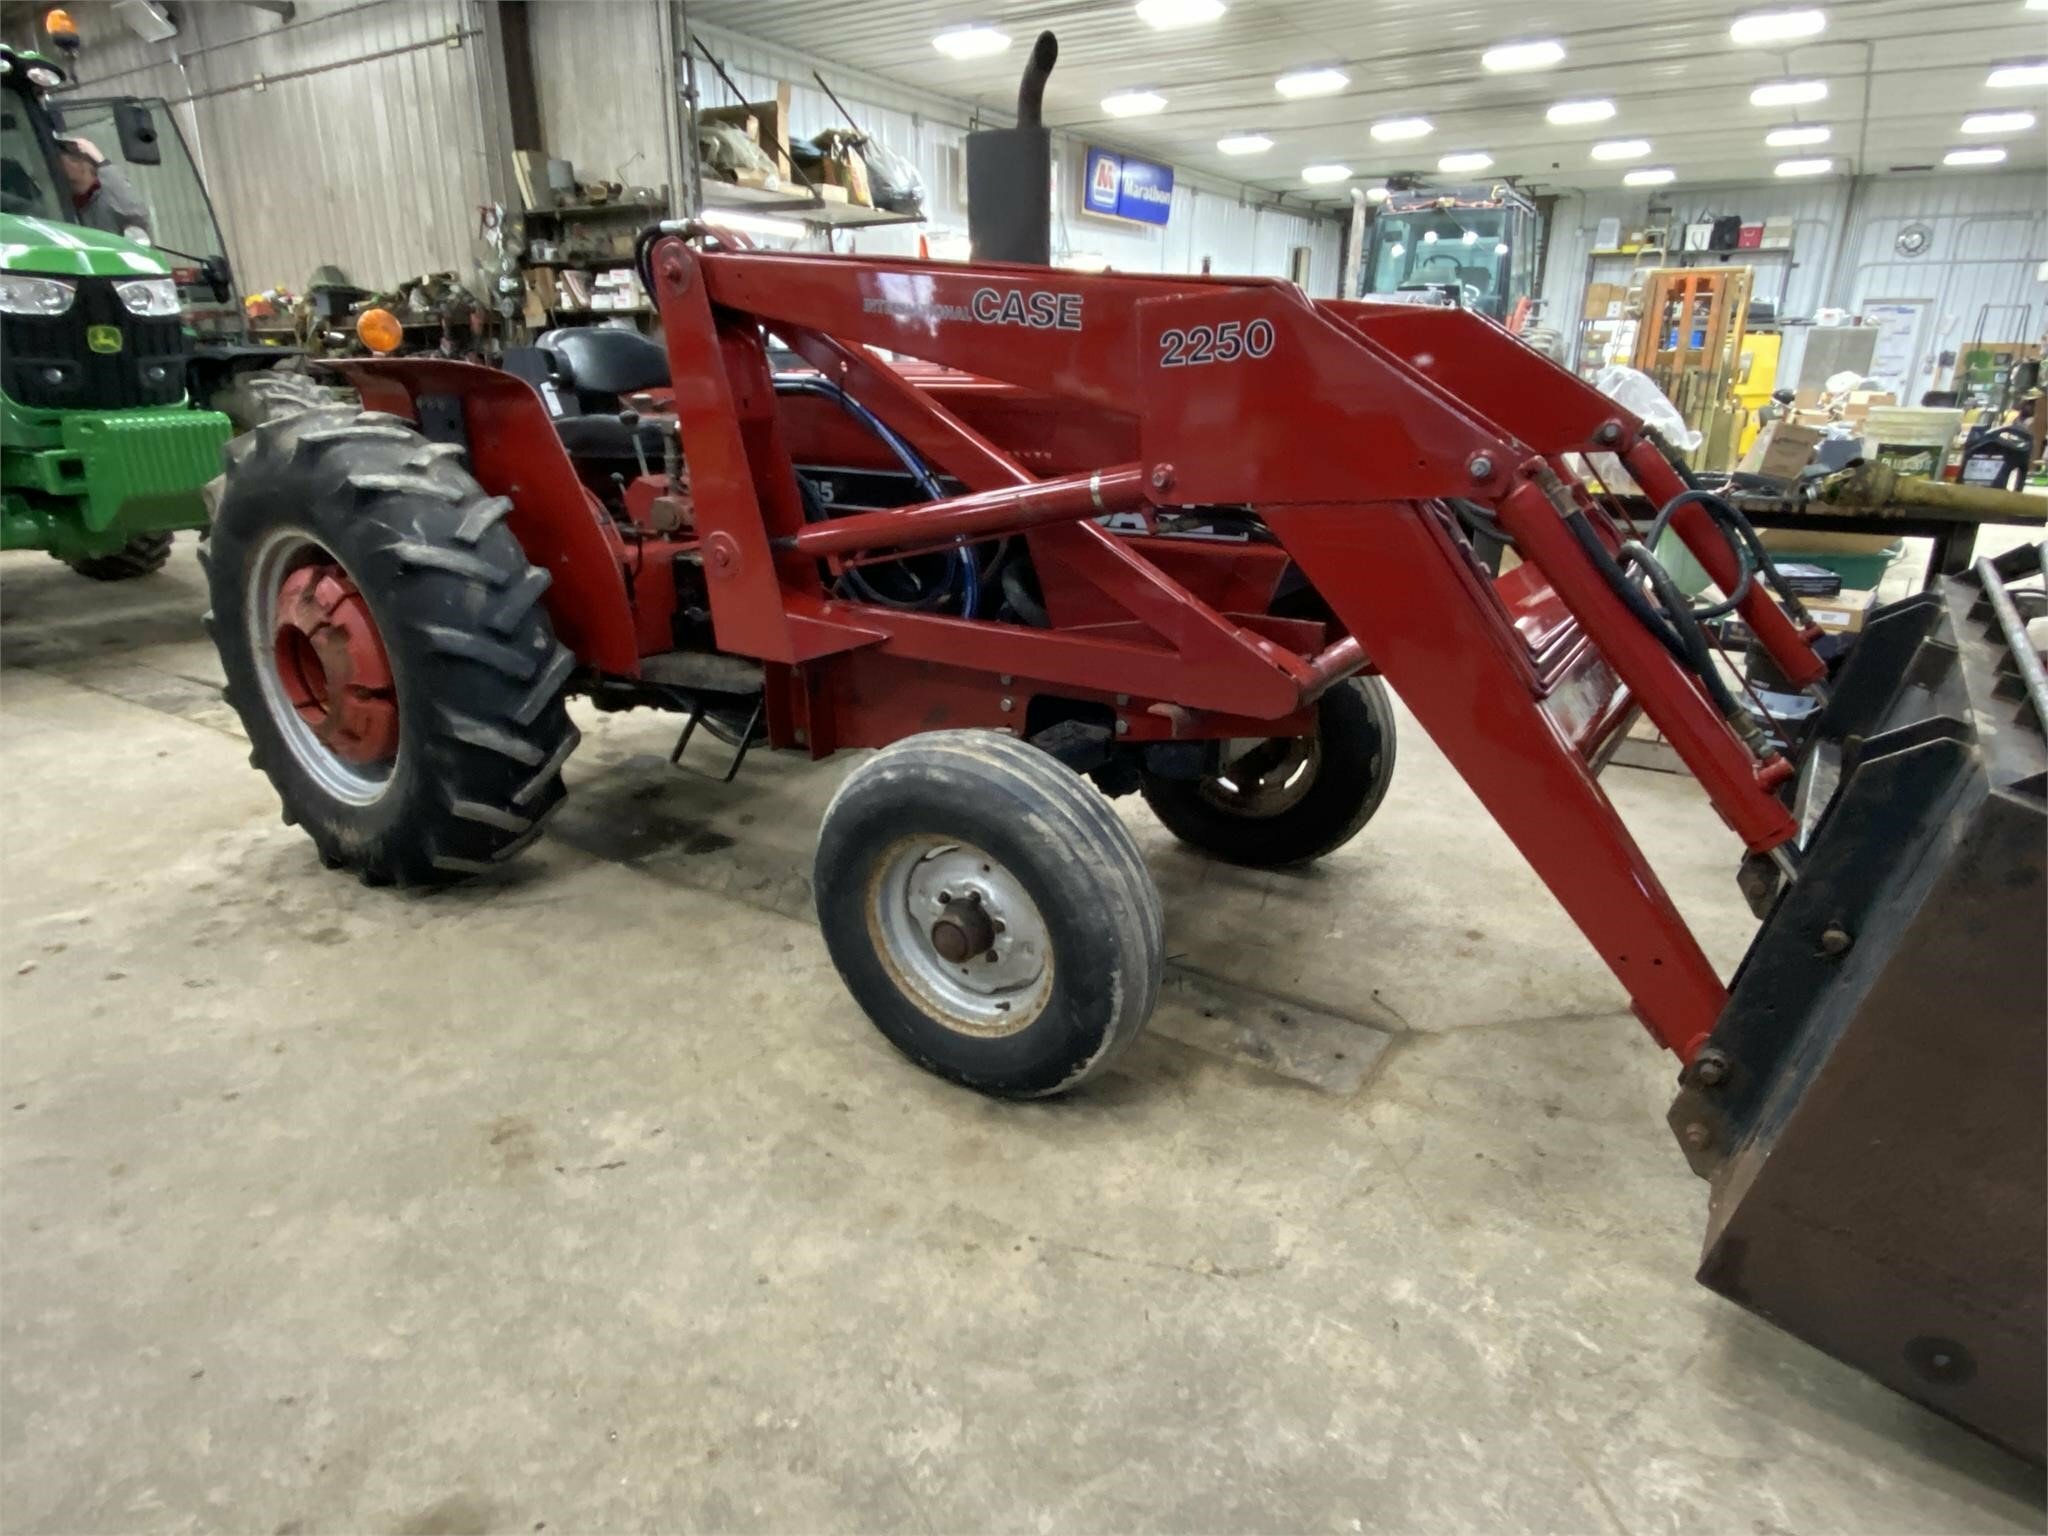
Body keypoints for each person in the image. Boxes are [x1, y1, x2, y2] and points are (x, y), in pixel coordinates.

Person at [54, 136, 150, 243]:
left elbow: (136, 212)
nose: (55, 167)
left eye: (60, 160)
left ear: (80, 163)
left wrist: (102, 161)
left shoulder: (110, 197)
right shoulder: (59, 205)